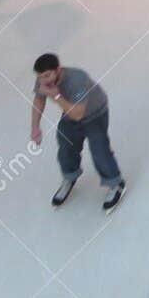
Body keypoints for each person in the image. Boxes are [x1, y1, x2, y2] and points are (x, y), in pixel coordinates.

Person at [31, 53, 125, 212]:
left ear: (58, 70)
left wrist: (56, 95)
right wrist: (35, 126)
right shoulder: (44, 79)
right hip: (70, 112)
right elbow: (39, 99)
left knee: (99, 150)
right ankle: (70, 176)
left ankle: (115, 183)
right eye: (40, 77)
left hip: (94, 113)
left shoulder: (77, 79)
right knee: (66, 146)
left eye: (47, 75)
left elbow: (78, 114)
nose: (43, 80)